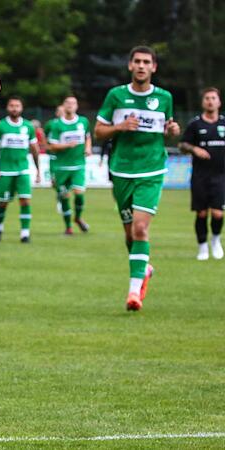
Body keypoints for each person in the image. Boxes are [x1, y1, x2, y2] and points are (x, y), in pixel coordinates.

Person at [94, 45, 180, 311]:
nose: (142, 66)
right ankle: (144, 268)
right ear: (130, 65)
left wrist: (172, 131)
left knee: (141, 229)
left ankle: (133, 293)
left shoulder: (164, 97)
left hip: (151, 170)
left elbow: (168, 129)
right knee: (130, 235)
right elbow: (98, 131)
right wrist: (119, 127)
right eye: (138, 61)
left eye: (147, 62)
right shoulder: (116, 95)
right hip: (122, 170)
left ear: (154, 67)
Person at [178, 87, 225, 260]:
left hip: (221, 176)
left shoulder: (224, 123)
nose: (210, 101)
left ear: (219, 102)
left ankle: (216, 240)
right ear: (203, 102)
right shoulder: (195, 124)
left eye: (213, 98)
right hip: (200, 176)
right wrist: (194, 149)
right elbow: (182, 145)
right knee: (202, 213)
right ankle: (202, 246)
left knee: (218, 213)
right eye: (207, 98)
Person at [0, 96, 41, 243]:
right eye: (12, 106)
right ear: (8, 108)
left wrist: (38, 170)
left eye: (17, 106)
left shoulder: (28, 126)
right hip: (5, 171)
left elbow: (34, 149)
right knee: (3, 202)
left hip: (23, 170)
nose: (14, 108)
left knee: (25, 201)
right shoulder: (1, 126)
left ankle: (25, 234)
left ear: (21, 108)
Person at [46, 95, 92, 234]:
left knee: (79, 194)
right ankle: (68, 227)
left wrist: (88, 148)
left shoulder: (83, 121)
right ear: (63, 106)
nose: (70, 105)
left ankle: (77, 218)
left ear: (77, 106)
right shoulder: (56, 125)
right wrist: (66, 145)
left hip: (78, 165)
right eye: (67, 103)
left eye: (73, 103)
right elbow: (51, 146)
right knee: (64, 197)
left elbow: (87, 137)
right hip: (61, 167)